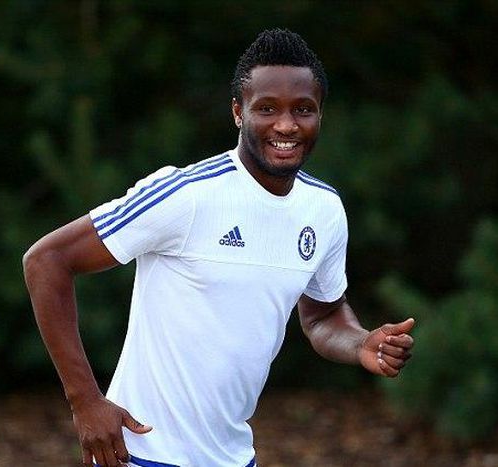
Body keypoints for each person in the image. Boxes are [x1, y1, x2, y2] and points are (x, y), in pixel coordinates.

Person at [23, 28, 415, 467]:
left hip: (233, 457)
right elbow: (46, 260)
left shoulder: (324, 209)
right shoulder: (186, 195)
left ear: (320, 114)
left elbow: (323, 316)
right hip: (141, 454)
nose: (286, 125)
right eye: (267, 108)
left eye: (303, 109)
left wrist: (360, 343)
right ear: (238, 112)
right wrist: (85, 401)